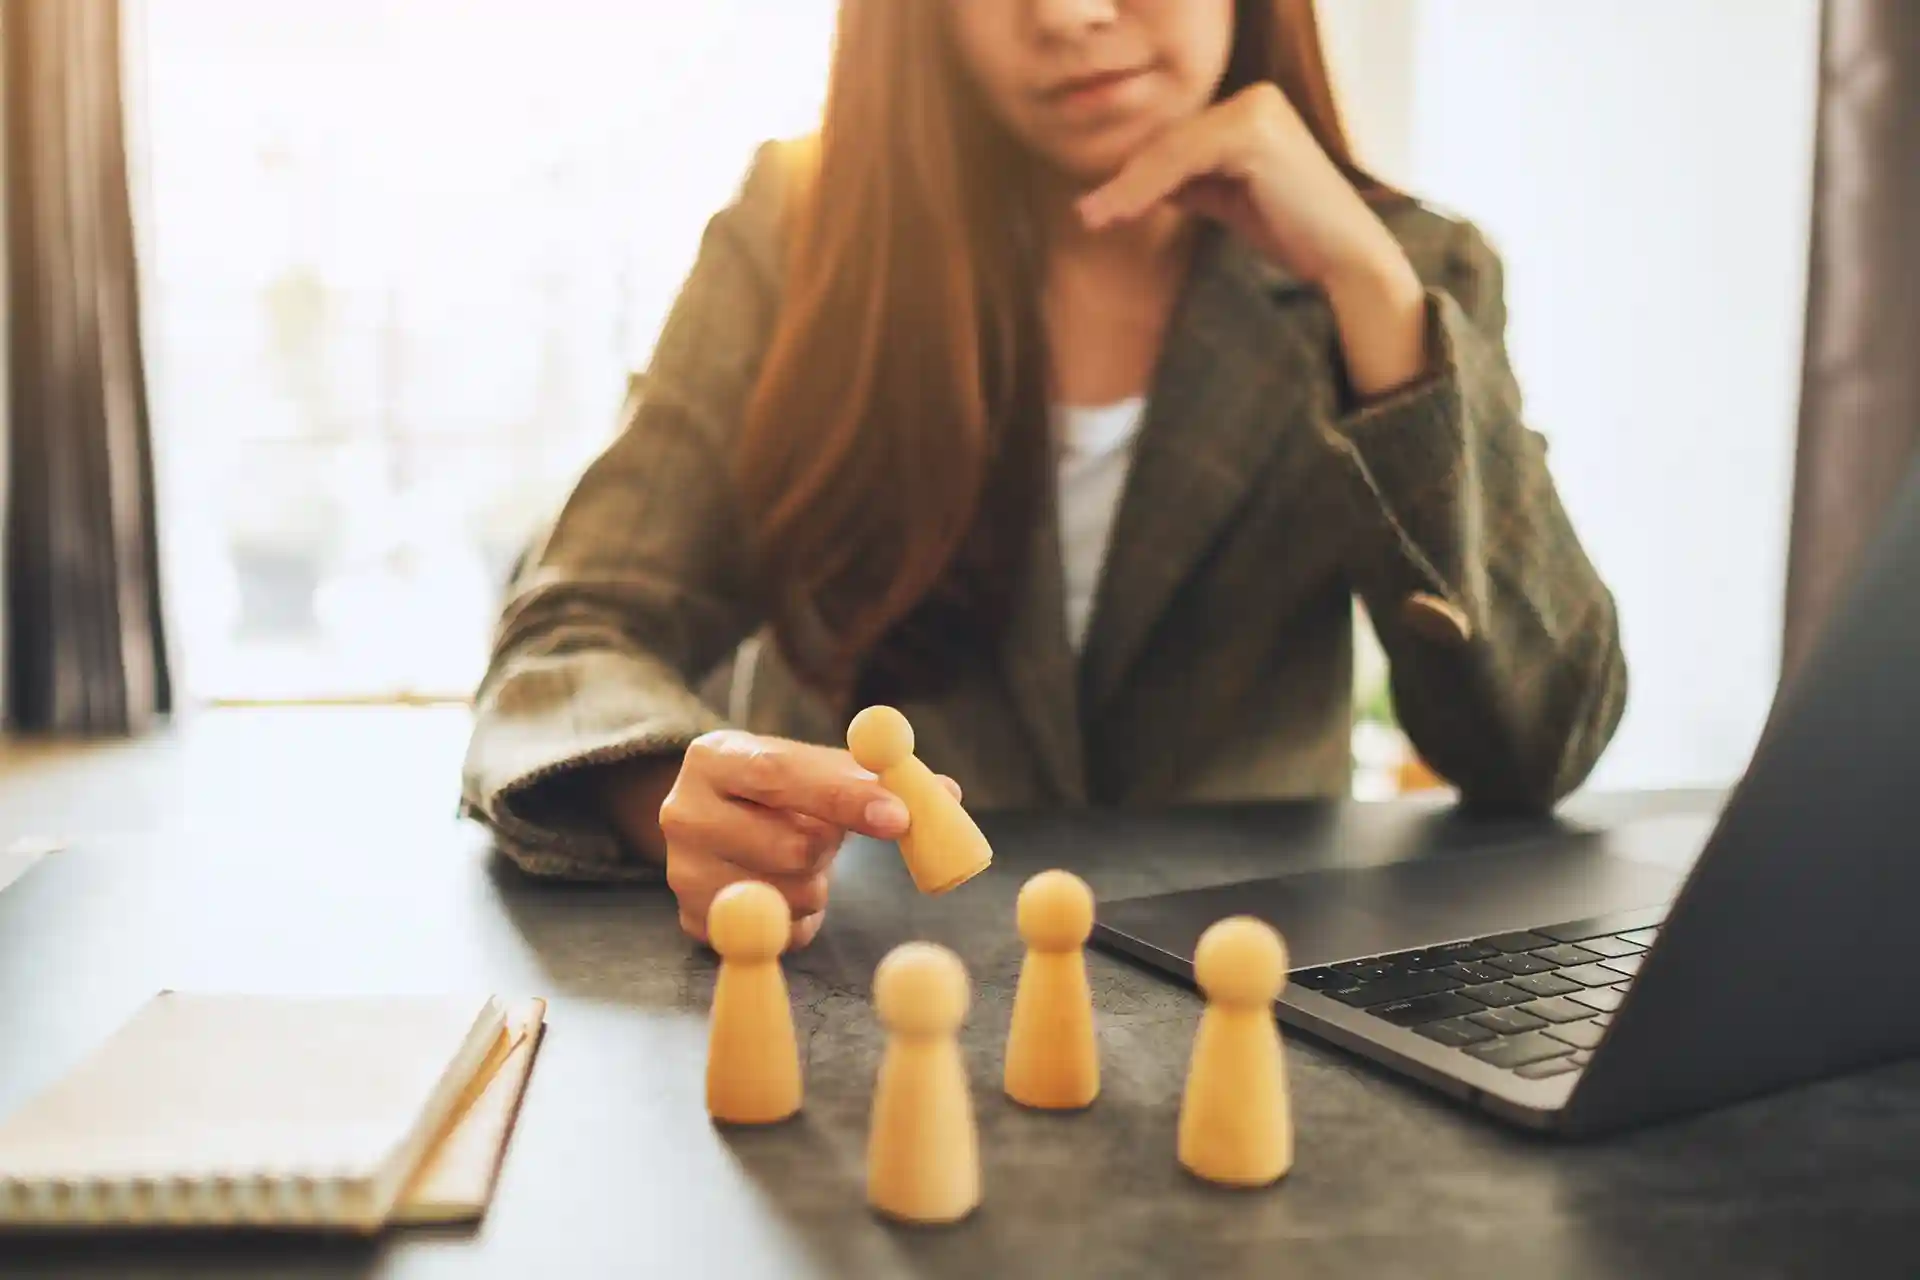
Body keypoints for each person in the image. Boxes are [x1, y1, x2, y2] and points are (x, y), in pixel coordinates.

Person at [459, 0, 1627, 949]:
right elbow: (570, 637)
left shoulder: (1408, 272)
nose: (1069, 15)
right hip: (864, 989)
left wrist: (1371, 302)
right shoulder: (798, 231)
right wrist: (677, 795)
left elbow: (1541, 744)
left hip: (1256, 1009)